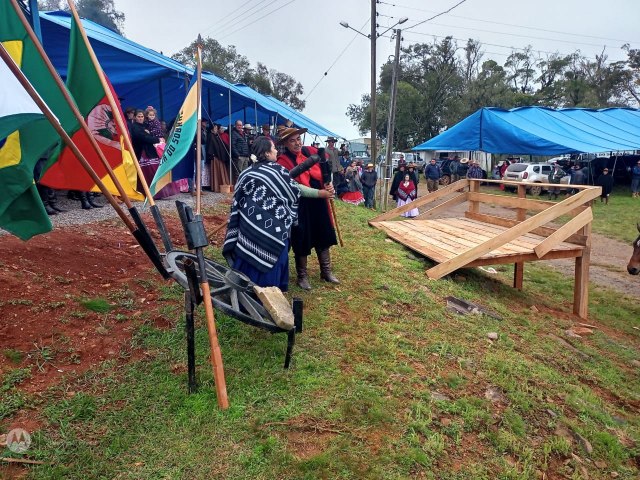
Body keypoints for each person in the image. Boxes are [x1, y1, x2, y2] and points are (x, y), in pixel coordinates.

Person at [222, 137, 334, 292]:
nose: (276, 151)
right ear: (267, 153)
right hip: (274, 232)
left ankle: (245, 290)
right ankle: (270, 292)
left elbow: (237, 204)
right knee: (273, 256)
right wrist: (319, 193)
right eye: (273, 148)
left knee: (249, 259)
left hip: (248, 231)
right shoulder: (278, 172)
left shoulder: (245, 173)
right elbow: (295, 189)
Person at [276, 126, 340, 290]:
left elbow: (325, 167)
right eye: (292, 140)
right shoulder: (283, 161)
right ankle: (302, 276)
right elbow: (294, 186)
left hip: (319, 202)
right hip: (300, 204)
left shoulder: (309, 151)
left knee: (323, 232)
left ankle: (325, 271)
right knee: (302, 237)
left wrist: (329, 184)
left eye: (298, 139)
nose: (297, 143)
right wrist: (321, 193)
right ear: (285, 143)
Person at [130, 109, 177, 199]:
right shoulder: (135, 127)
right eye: (139, 117)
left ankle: (160, 192)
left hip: (149, 151)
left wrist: (153, 136)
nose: (140, 118)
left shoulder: (146, 125)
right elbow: (143, 137)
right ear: (135, 117)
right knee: (149, 173)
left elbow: (153, 133)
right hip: (142, 152)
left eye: (142, 116)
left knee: (156, 172)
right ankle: (151, 193)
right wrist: (157, 139)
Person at [206, 124, 231, 192]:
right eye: (215, 128)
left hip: (218, 156)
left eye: (217, 128)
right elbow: (212, 147)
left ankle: (219, 186)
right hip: (215, 157)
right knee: (216, 171)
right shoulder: (211, 136)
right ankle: (216, 186)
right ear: (212, 129)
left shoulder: (216, 136)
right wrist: (214, 154)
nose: (216, 130)